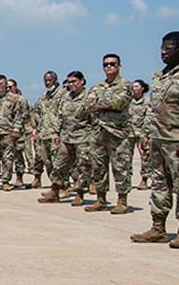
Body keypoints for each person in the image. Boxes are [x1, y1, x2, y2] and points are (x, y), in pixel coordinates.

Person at [130, 32, 179, 245]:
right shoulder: (160, 76)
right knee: (159, 184)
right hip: (158, 140)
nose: (163, 52)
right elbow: (152, 109)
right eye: (162, 48)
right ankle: (158, 227)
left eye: (168, 49)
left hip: (176, 141)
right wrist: (146, 134)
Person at [85, 54, 134, 214]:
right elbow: (87, 105)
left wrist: (99, 104)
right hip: (99, 133)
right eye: (106, 64)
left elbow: (120, 103)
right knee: (98, 167)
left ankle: (122, 200)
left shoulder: (126, 85)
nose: (109, 67)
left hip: (118, 132)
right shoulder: (97, 87)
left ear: (119, 66)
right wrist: (106, 103)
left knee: (121, 167)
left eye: (112, 64)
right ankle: (101, 199)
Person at [39, 71, 93, 205]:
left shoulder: (88, 97)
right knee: (59, 165)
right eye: (69, 82)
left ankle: (80, 194)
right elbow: (60, 116)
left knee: (83, 167)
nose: (71, 84)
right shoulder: (65, 97)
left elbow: (94, 118)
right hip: (66, 137)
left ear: (82, 81)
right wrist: (57, 134)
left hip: (83, 137)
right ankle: (55, 191)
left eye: (74, 81)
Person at [31, 71, 66, 189]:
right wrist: (37, 127)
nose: (47, 82)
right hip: (44, 134)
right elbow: (35, 112)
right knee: (48, 162)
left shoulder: (63, 94)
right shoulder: (43, 98)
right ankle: (55, 187)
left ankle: (63, 186)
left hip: (57, 134)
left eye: (50, 80)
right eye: (45, 80)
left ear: (55, 80)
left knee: (59, 163)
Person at [7, 79, 33, 188]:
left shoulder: (21, 100)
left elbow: (26, 115)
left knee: (18, 154)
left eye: (11, 87)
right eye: (7, 87)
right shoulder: (4, 99)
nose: (9, 89)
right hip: (6, 130)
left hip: (19, 132)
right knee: (6, 156)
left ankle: (19, 177)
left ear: (16, 87)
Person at [129, 79, 151, 190]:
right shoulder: (128, 102)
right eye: (133, 86)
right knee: (125, 158)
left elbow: (149, 118)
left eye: (137, 86)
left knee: (145, 157)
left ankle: (144, 179)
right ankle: (126, 180)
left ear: (142, 88)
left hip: (142, 133)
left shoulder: (147, 102)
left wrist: (145, 134)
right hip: (129, 133)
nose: (134, 88)